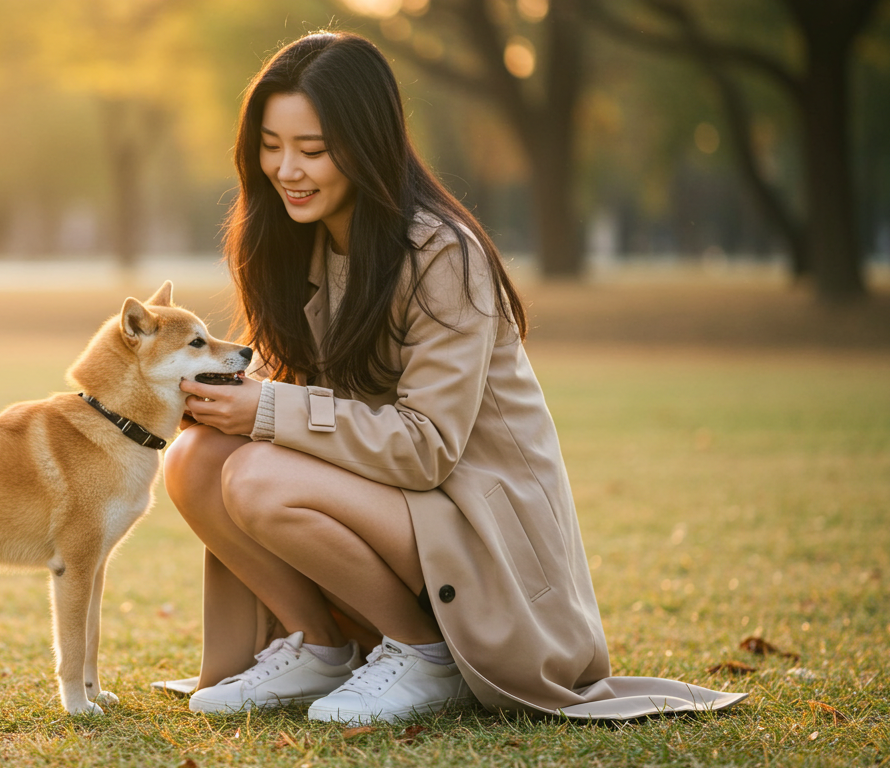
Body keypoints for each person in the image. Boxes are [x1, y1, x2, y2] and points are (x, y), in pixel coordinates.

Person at [159, 31, 744, 723]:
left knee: (256, 477)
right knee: (195, 461)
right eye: (271, 145)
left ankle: (425, 653)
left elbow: (426, 447)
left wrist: (267, 410)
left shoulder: (441, 256)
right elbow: (301, 396)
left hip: (476, 533)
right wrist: (211, 399)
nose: (287, 169)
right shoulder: (296, 243)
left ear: (367, 144)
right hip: (393, 510)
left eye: (313, 150)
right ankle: (319, 648)